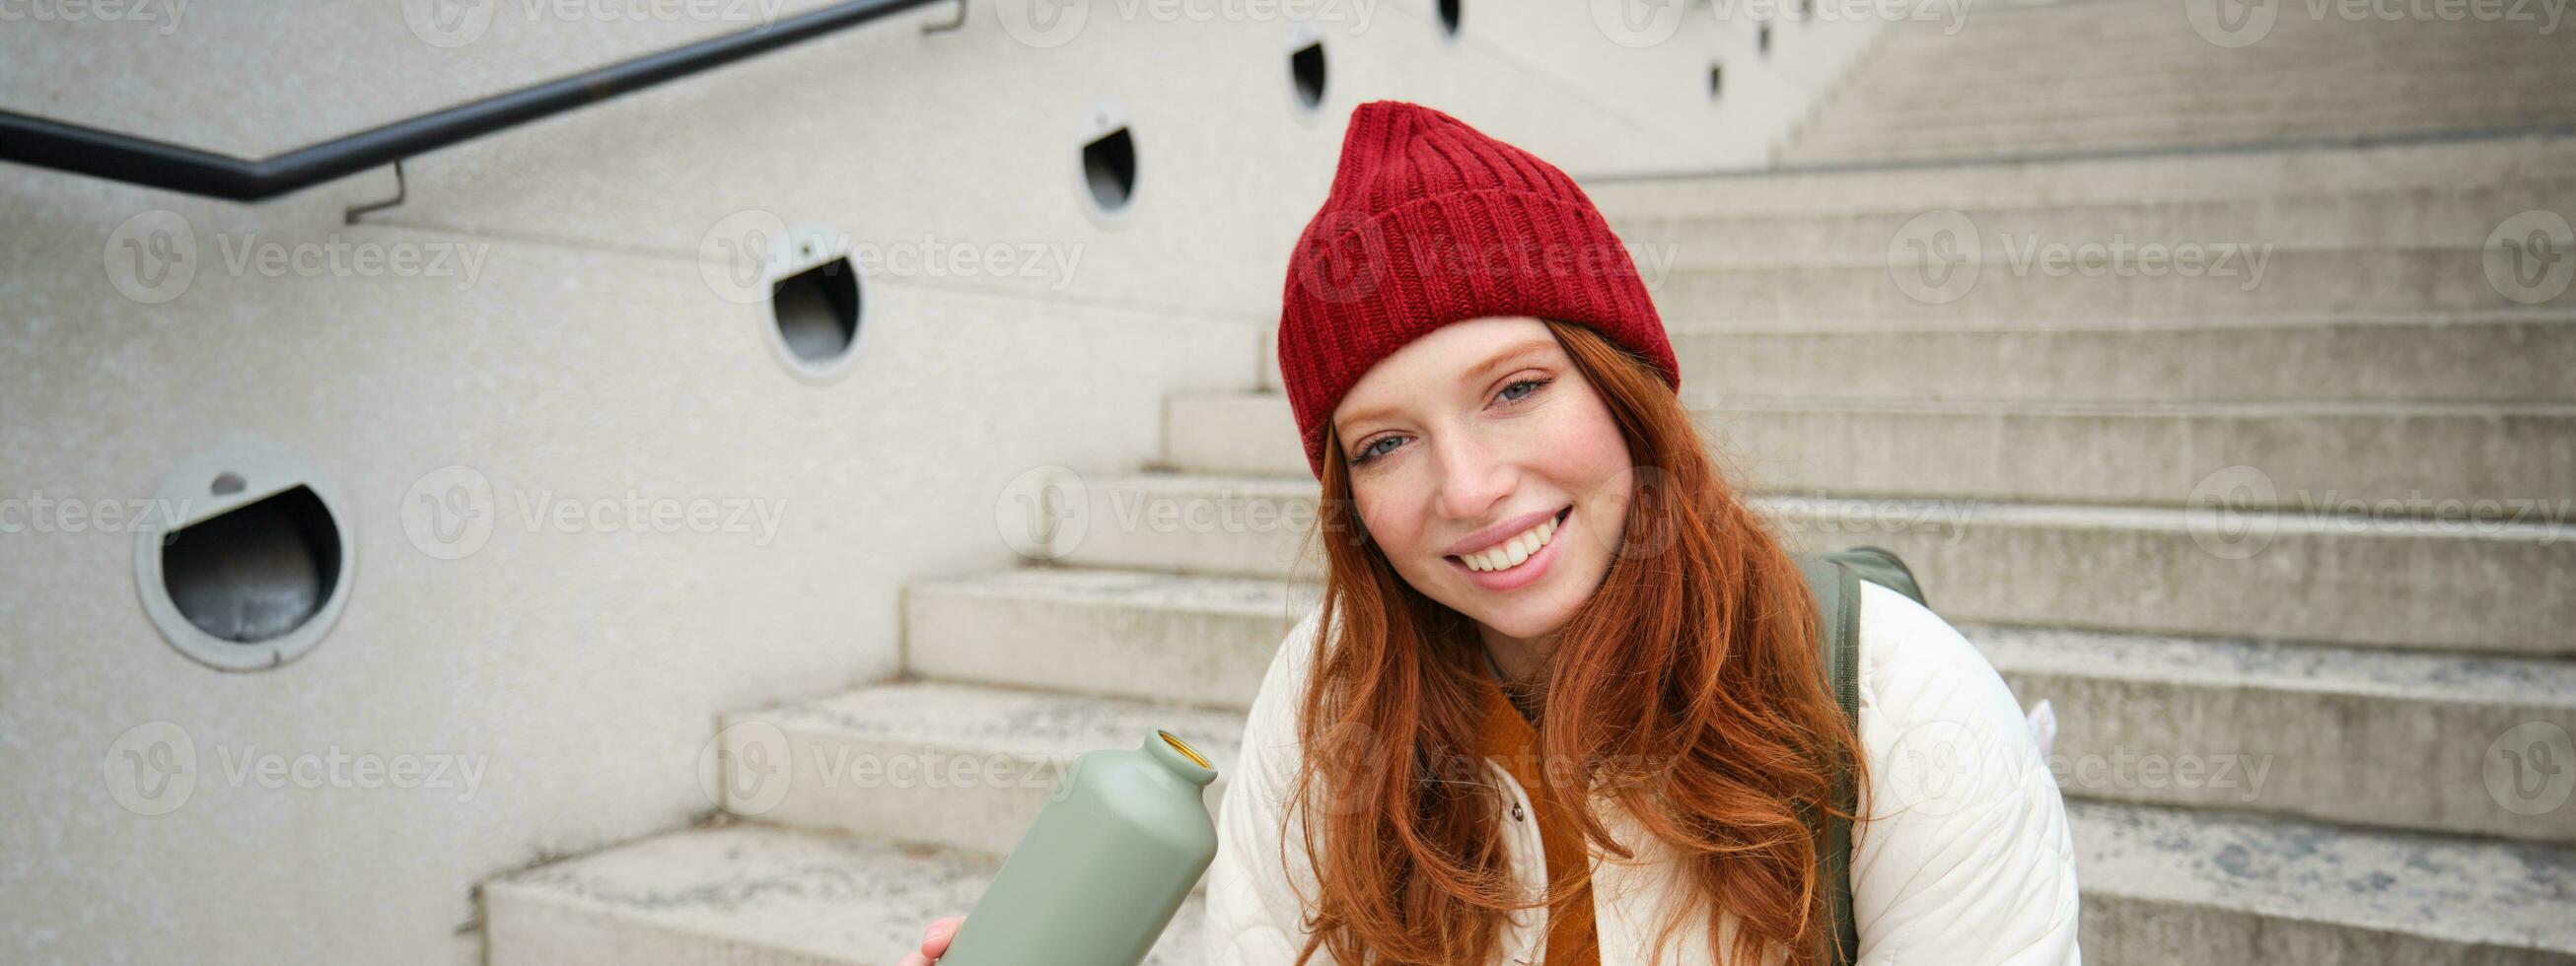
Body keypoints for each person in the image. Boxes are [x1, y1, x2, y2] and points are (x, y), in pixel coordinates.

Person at [908, 100, 2079, 966]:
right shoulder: (1326, 702)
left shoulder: (1897, 700)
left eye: (1516, 388)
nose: (1466, 488)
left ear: (1624, 393)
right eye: (1383, 443)